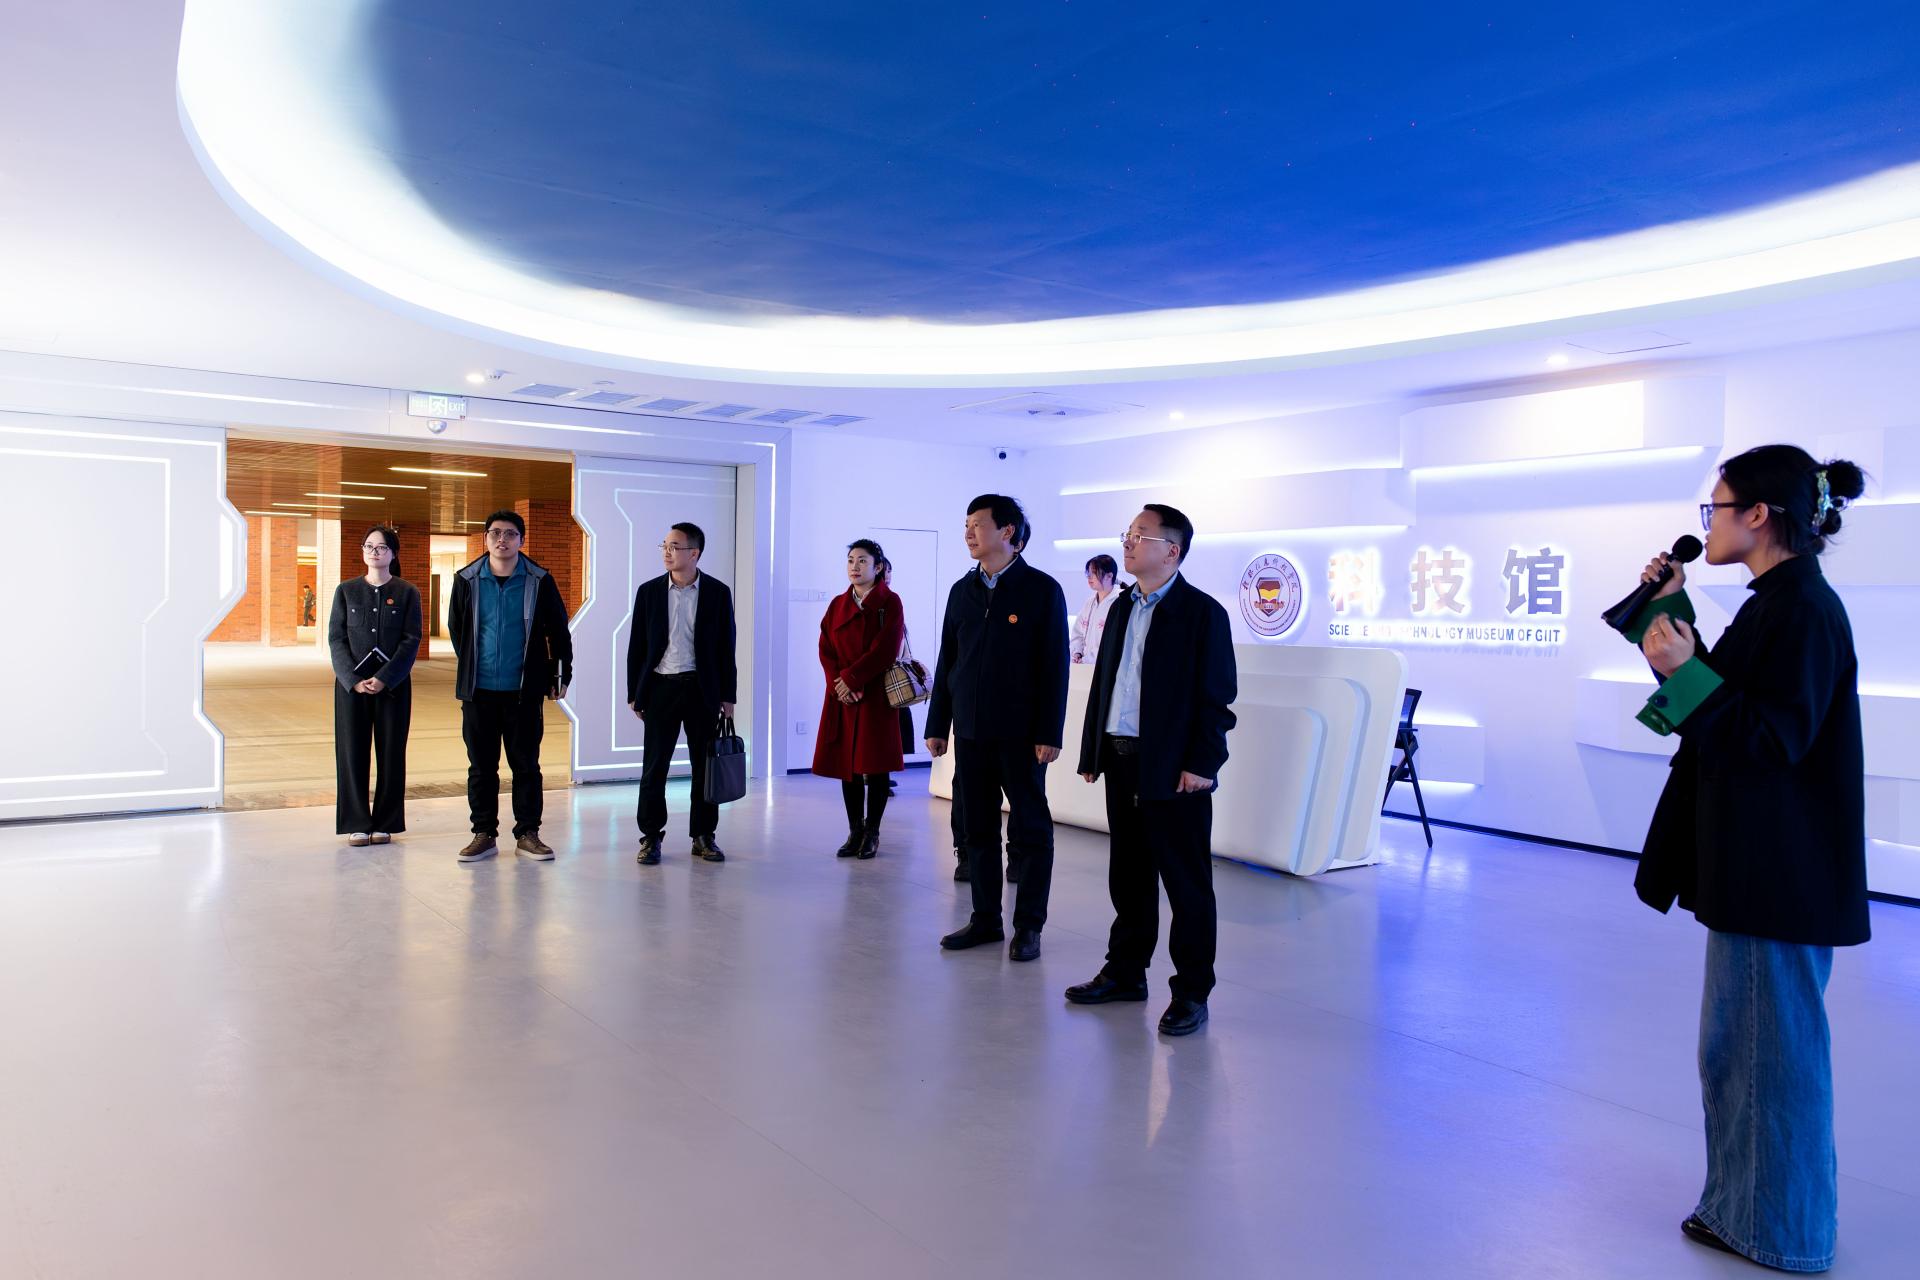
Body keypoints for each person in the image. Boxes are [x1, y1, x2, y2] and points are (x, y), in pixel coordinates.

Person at [1631, 445, 1868, 1272]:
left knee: (1769, 1057)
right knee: (1743, 1050)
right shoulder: (1778, 604)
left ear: (1759, 515)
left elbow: (1767, 741)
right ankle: (1746, 1212)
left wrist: (1684, 671)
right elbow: (1719, 698)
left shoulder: (1802, 611)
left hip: (1778, 875)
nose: (1709, 525)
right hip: (1759, 869)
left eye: (1717, 508)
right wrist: (1669, 625)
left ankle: (1782, 1233)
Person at [1064, 506, 1236, 1037]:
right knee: (1129, 874)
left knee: (1186, 884)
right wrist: (1093, 751)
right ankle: (1125, 972)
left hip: (1174, 767)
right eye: (1128, 534)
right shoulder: (1121, 608)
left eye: (1140, 535)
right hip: (1122, 758)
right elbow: (1105, 685)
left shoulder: (1202, 613)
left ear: (1172, 551)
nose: (1129, 542)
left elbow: (1217, 699)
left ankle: (1191, 992)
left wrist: (1202, 763)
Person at [924, 494, 1068, 962]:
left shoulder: (1041, 590)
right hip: (970, 732)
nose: (969, 533)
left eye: (977, 524)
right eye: (966, 524)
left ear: (1007, 531)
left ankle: (1029, 927)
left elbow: (1055, 667)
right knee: (978, 829)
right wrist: (938, 723)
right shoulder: (961, 591)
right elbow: (949, 660)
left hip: (1021, 736)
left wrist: (1049, 732)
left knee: (1031, 833)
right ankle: (985, 919)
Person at [447, 509, 573, 863]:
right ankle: (483, 833)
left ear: (521, 540)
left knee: (526, 765)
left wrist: (560, 675)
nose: (502, 539)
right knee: (481, 767)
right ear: (486, 538)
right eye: (495, 533)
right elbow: (457, 629)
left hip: (524, 691)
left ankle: (528, 833)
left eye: (510, 534)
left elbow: (558, 631)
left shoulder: (539, 580)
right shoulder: (467, 579)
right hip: (479, 691)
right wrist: (473, 665)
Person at [627, 521, 738, 865]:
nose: (667, 552)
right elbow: (637, 646)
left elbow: (726, 647)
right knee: (654, 768)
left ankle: (703, 836)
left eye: (674, 546)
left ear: (694, 553)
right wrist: (635, 693)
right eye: (664, 545)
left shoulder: (717, 592)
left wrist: (728, 695)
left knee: (704, 767)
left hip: (701, 690)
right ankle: (650, 836)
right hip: (660, 688)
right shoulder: (649, 591)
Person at [327, 525, 421, 847]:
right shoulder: (346, 591)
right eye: (369, 546)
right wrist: (352, 680)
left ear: (393, 554)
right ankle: (356, 822)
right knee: (351, 753)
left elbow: (411, 639)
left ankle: (386, 822)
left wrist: (385, 677)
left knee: (391, 753)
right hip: (351, 687)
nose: (374, 552)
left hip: (392, 685)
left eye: (381, 547)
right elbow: (336, 638)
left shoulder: (407, 592)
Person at [813, 539, 906, 859]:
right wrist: (838, 684)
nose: (855, 566)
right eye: (851, 560)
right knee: (847, 766)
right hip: (842, 696)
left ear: (878, 567)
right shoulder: (838, 603)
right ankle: (854, 831)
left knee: (876, 766)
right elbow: (825, 647)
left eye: (862, 561)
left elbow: (886, 649)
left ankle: (872, 832)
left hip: (874, 696)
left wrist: (853, 679)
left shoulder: (889, 602)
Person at [1070, 554, 1120, 664]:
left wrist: (1087, 659)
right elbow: (1077, 633)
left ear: (1109, 576)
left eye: (1094, 573)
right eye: (1088, 573)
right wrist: (1077, 652)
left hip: (1106, 666)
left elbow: (1113, 642)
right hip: (1084, 666)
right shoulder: (1089, 603)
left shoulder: (1119, 603)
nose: (1089, 577)